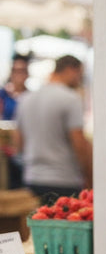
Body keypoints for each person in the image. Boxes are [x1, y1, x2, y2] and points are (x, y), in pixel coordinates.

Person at [13, 54, 91, 201]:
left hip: (32, 179)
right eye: (80, 74)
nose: (80, 80)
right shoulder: (71, 99)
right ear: (70, 70)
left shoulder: (25, 99)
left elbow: (18, 142)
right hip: (64, 179)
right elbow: (79, 143)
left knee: (37, 216)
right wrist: (89, 176)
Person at [2, 54, 31, 188]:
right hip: (5, 149)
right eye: (16, 71)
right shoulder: (3, 94)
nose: (19, 75)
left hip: (25, 149)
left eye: (22, 71)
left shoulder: (31, 96)